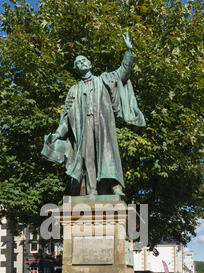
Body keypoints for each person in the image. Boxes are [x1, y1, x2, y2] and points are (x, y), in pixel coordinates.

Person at [42, 30, 145, 196]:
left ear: (90, 64)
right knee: (87, 158)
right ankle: (91, 191)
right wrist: (56, 134)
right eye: (78, 62)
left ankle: (114, 185)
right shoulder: (73, 91)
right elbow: (66, 119)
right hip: (83, 128)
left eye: (84, 60)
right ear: (76, 69)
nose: (82, 63)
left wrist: (128, 51)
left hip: (103, 125)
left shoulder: (104, 79)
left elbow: (122, 72)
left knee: (108, 154)